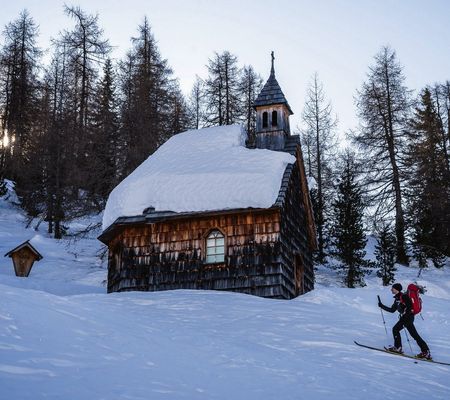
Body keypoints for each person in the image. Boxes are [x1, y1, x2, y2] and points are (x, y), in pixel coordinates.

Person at [378, 283, 431, 359]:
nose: (391, 289)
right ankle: (426, 352)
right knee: (414, 335)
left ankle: (398, 348)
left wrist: (405, 316)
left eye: (392, 288)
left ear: (397, 289)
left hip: (407, 318)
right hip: (407, 318)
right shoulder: (397, 299)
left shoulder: (404, 296)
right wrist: (381, 305)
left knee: (395, 329)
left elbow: (410, 307)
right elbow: (392, 310)